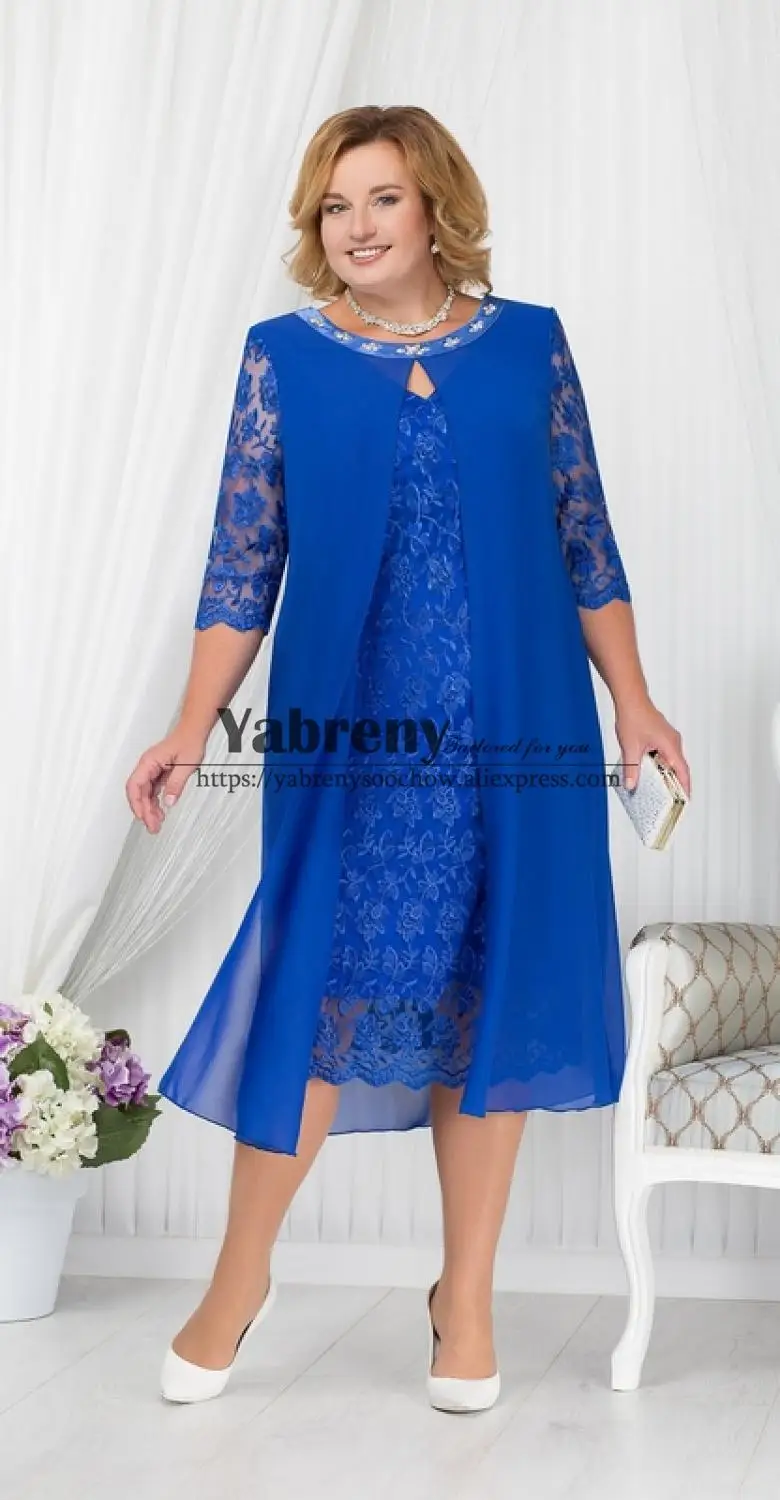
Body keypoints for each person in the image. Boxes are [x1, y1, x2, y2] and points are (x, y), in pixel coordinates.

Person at [125, 105, 691, 1411]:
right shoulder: (283, 359)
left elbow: (586, 540)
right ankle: (240, 1280)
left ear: (436, 206)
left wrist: (636, 704)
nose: (358, 225)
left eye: (382, 197)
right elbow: (241, 567)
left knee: (486, 993)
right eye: (336, 206)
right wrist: (189, 726)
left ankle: (466, 1302)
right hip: (357, 743)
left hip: (518, 730)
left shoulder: (530, 345)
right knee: (323, 992)